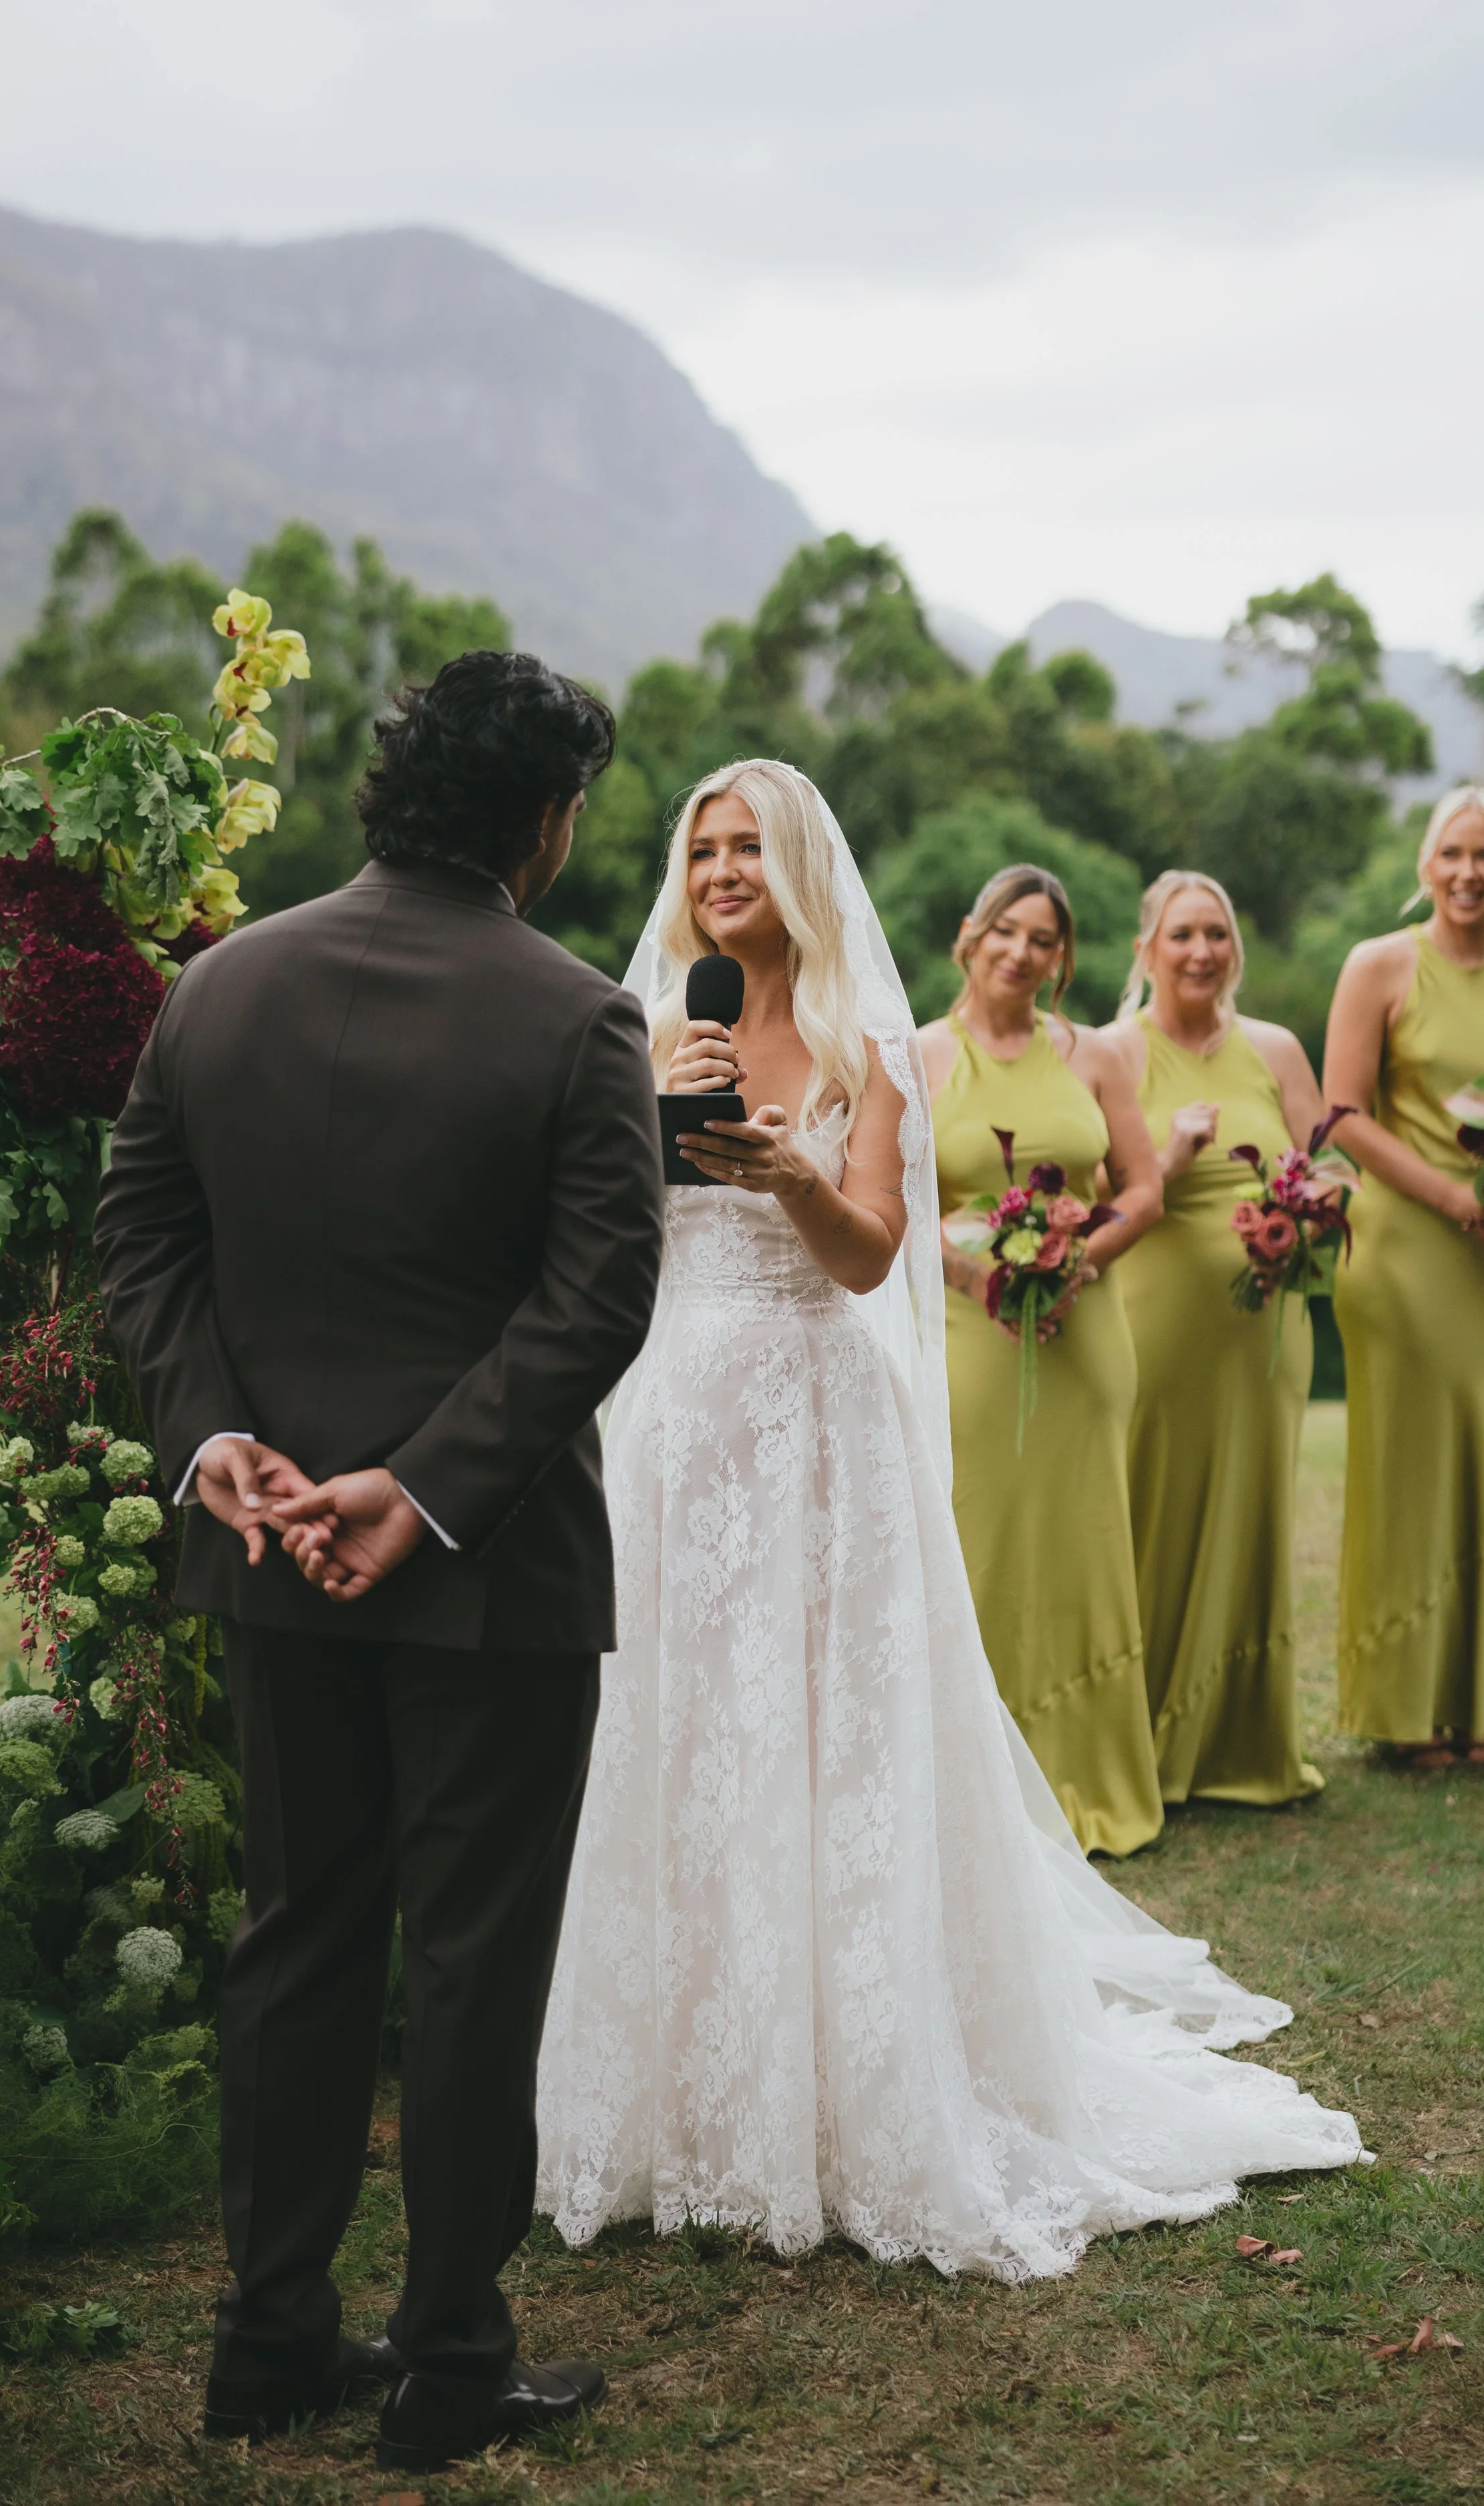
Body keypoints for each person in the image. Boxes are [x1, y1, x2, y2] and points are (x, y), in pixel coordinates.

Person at [535, 759, 1364, 2281]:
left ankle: (850, 2081)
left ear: (797, 866)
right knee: (688, 1733)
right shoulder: (647, 1030)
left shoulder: (871, 1048)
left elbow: (865, 1258)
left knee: (826, 1737)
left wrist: (786, 1166)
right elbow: (603, 1234)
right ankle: (688, 2093)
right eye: (702, 848)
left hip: (819, 1419)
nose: (722, 870)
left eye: (748, 847)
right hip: (679, 1424)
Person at [95, 651, 665, 2475]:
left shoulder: (216, 988)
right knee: (475, 1965)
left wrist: (216, 1446)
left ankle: (265, 2346)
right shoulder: (579, 1020)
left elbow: (142, 1237)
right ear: (545, 816)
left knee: (294, 1941)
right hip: (486, 1575)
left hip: (266, 1556)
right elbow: (600, 1301)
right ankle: (442, 2361)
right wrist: (418, 1490)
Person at [1322, 786, 1484, 1769]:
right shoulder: (1377, 966)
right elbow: (1343, 1112)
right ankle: (1403, 1708)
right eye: (1452, 854)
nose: (1469, 873)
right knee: (1410, 1468)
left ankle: (1475, 1706)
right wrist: (1448, 1195)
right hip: (1403, 1248)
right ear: (1425, 866)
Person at [917, 867, 1165, 1858]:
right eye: (1006, 931)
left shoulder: (1095, 1055)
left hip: (1084, 1333)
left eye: (1044, 940)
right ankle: (978, 1786)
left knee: (1086, 1540)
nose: (1021, 952)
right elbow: (895, 1204)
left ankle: (1093, 1778)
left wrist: (1076, 1263)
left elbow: (1142, 1189)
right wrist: (974, 1271)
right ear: (969, 935)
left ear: (1062, 959)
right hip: (968, 1329)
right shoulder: (918, 1054)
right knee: (980, 1538)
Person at [1110, 871, 1326, 1810]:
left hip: (1267, 1327)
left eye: (1218, 934)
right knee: (1151, 1510)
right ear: (1146, 948)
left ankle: (1244, 1738)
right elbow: (1099, 1198)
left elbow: (1335, 1160)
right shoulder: (1112, 1052)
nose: (1202, 951)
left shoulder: (1274, 1047)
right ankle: (1144, 1741)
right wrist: (1173, 1158)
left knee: (1254, 1509)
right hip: (1153, 1322)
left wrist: (1314, 1208)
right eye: (1183, 934)